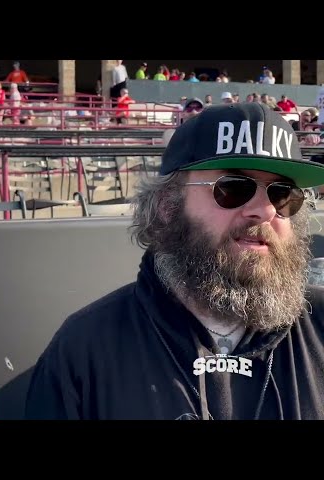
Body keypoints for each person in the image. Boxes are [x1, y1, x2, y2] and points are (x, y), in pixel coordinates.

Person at [25, 102, 324, 420]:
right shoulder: (85, 349)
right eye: (233, 188)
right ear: (168, 204)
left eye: (281, 195)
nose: (264, 210)